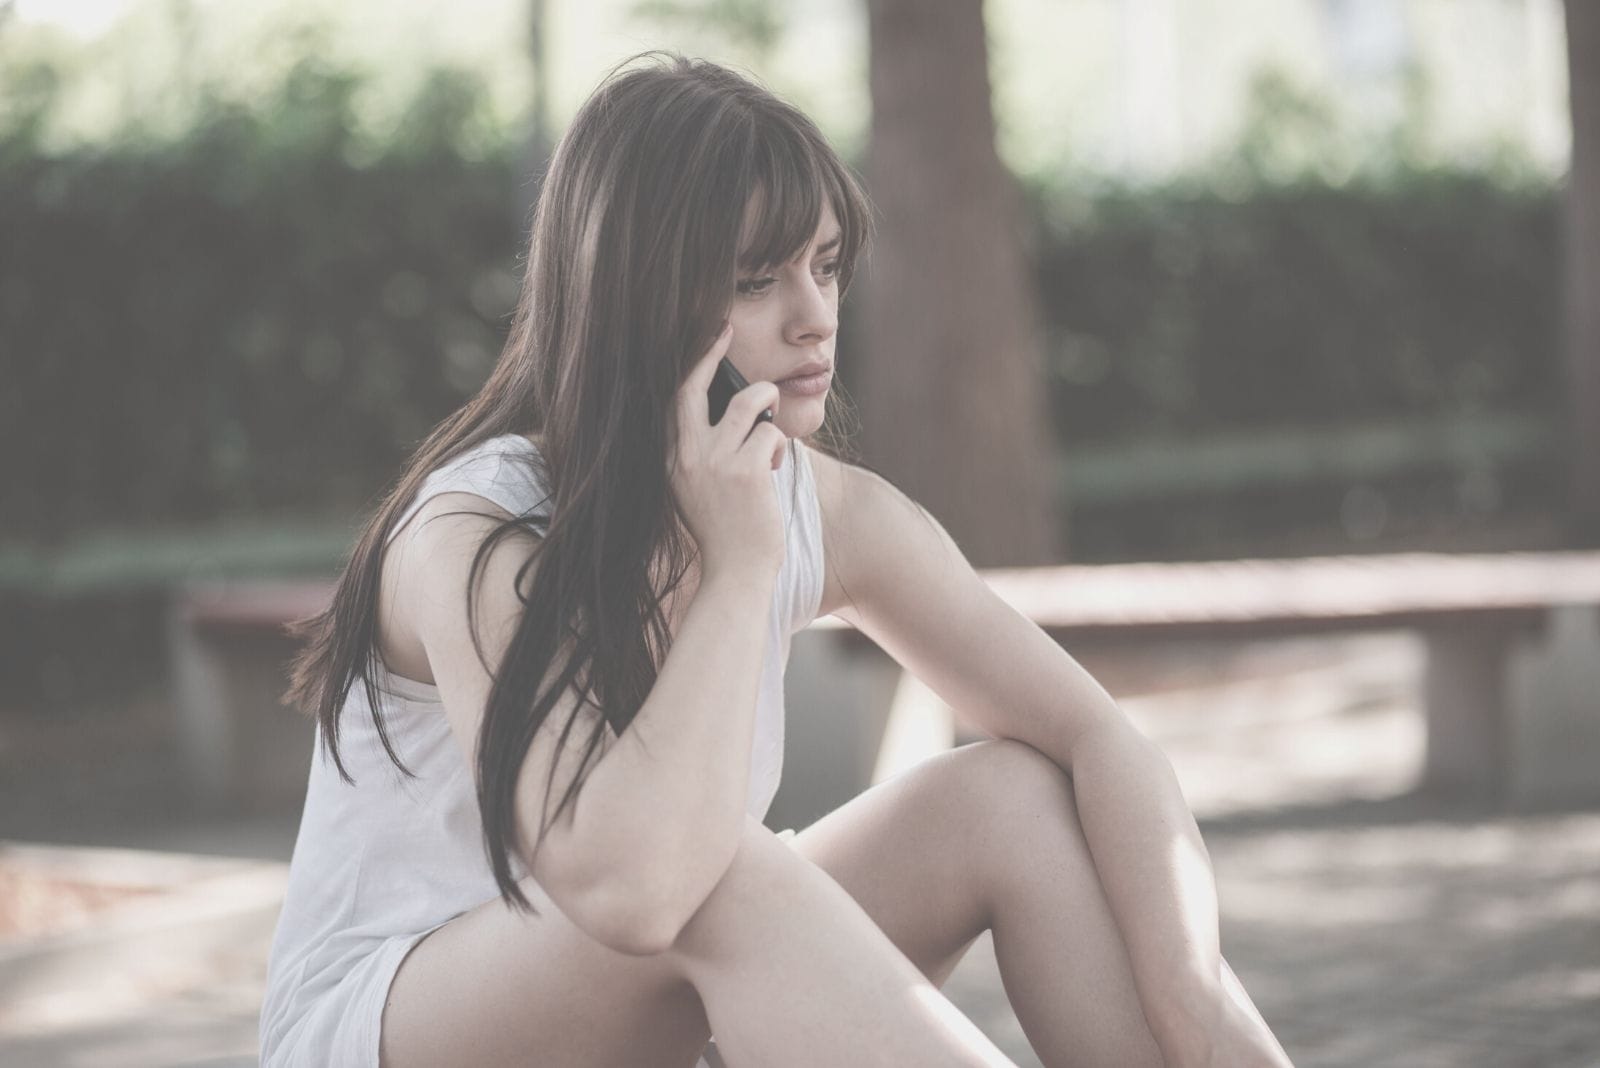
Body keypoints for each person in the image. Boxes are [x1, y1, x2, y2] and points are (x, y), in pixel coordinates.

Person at [257, 51, 1294, 1068]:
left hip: (646, 988)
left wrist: (1192, 1007)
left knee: (1009, 797)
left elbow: (1100, 740)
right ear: (639, 298)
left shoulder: (824, 507)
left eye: (827, 264)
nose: (816, 317)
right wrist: (741, 563)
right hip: (390, 1025)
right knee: (717, 870)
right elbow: (635, 890)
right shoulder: (474, 542)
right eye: (757, 280)